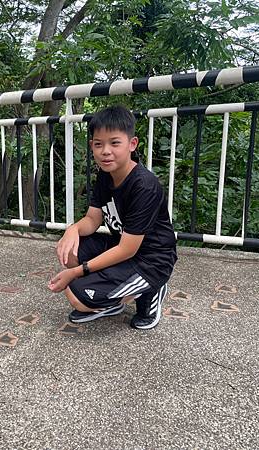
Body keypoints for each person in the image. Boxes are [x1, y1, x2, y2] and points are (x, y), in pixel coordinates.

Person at [48, 105, 177, 330]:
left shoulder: (144, 185)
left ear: (132, 144)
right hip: (123, 247)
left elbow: (128, 249)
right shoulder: (105, 175)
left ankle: (152, 288)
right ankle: (111, 302)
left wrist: (76, 273)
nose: (105, 151)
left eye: (114, 143)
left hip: (151, 260)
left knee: (78, 296)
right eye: (99, 144)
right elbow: (92, 220)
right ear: (92, 146)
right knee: (70, 251)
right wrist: (72, 230)